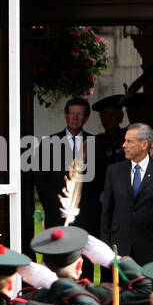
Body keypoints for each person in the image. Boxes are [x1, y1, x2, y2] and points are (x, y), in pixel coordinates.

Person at [99, 122, 153, 265]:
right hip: (120, 246)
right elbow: (107, 212)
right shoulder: (114, 171)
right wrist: (105, 246)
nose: (124, 145)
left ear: (144, 145)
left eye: (129, 141)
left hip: (152, 248)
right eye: (125, 141)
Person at [34, 98, 95, 232]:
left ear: (86, 117)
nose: (75, 117)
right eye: (72, 113)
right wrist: (55, 208)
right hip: (56, 216)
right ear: (66, 115)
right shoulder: (48, 144)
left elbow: (99, 182)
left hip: (87, 218)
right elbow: (41, 181)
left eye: (79, 114)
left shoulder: (95, 143)